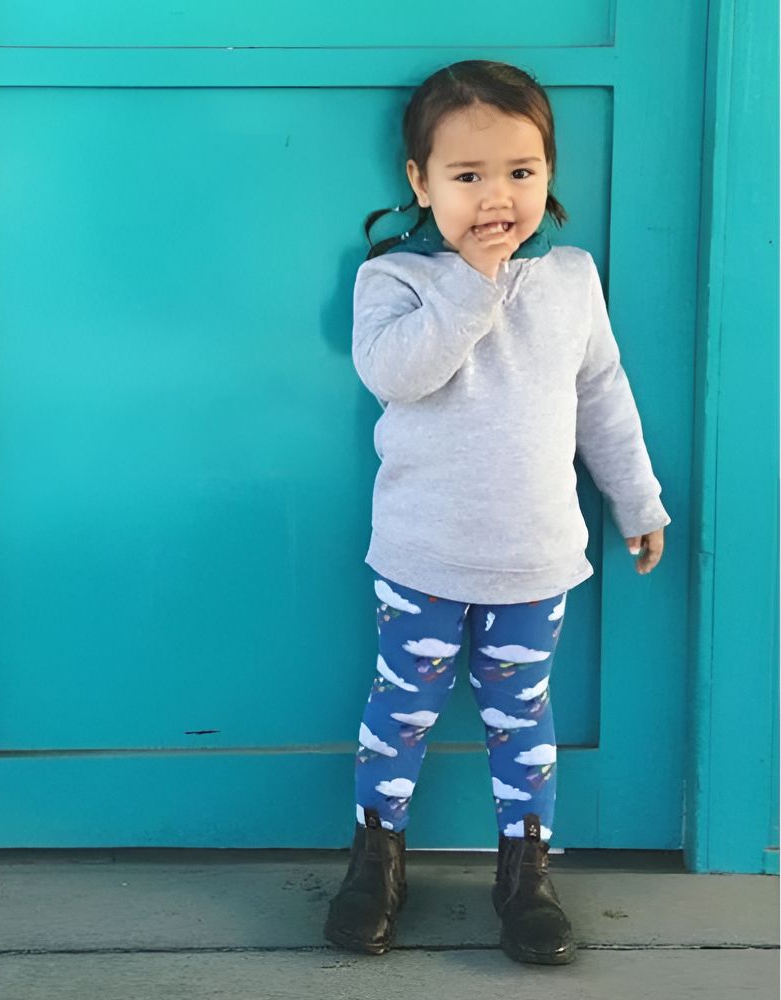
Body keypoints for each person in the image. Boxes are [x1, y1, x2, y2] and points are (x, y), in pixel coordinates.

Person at [323, 60, 671, 967]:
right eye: (467, 176)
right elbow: (399, 373)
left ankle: (525, 874)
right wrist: (472, 280)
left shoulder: (571, 280)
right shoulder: (395, 281)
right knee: (401, 710)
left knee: (523, 719)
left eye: (520, 172)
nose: (496, 197)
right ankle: (375, 861)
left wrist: (635, 496)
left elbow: (603, 395)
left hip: (535, 561)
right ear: (420, 183)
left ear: (550, 174)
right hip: (423, 558)